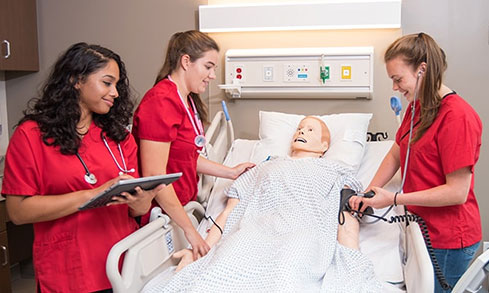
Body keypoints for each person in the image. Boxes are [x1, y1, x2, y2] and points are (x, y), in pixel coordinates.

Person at [142, 116, 381, 292]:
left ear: (324, 147)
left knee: (286, 271)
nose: (301, 131)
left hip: (303, 232)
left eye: (310, 129)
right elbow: (229, 212)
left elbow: (346, 216)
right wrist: (202, 249)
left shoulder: (334, 171)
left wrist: (352, 255)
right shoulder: (264, 166)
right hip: (256, 230)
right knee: (221, 268)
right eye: (299, 128)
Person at [1, 43, 163, 292]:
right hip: (70, 269)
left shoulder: (119, 138)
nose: (116, 93)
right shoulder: (31, 136)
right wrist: (91, 195)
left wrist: (141, 201)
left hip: (123, 265)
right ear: (76, 80)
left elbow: (138, 210)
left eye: (117, 85)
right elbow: (18, 211)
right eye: (107, 83)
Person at [350, 32, 482, 292]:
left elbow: (457, 192)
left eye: (398, 79)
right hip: (422, 228)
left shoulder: (458, 118)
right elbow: (397, 153)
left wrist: (393, 199)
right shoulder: (416, 108)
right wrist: (368, 192)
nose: (395, 88)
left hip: (449, 238)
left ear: (422, 70)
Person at [132, 30, 254, 259]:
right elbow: (155, 175)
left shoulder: (186, 100)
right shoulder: (161, 102)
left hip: (179, 208)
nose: (212, 75)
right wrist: (190, 229)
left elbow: (184, 155)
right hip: (158, 214)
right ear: (186, 61)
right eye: (208, 67)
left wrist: (230, 172)